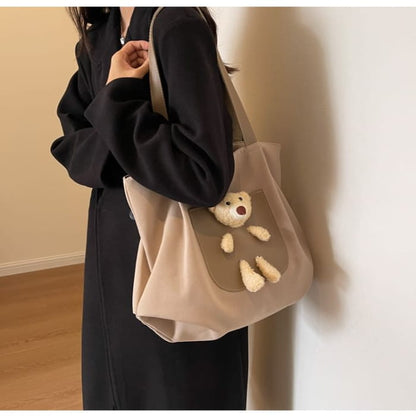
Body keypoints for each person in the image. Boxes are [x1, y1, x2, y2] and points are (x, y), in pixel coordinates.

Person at [50, 6, 248, 410]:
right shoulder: (97, 39)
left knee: (176, 392)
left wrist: (116, 101)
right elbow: (73, 145)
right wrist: (114, 109)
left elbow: (203, 176)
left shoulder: (176, 25)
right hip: (114, 258)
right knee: (119, 387)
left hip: (176, 255)